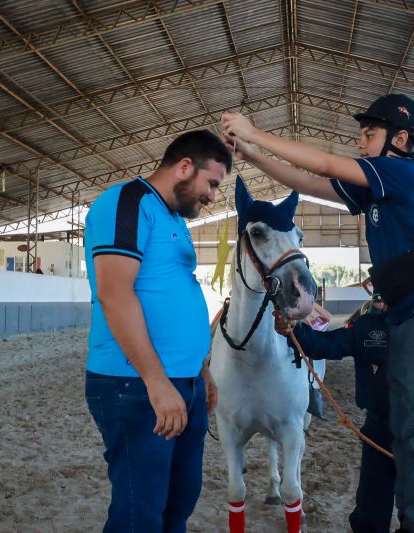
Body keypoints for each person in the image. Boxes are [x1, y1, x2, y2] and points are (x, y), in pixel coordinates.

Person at [223, 93, 414, 533]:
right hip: (407, 315)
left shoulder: (404, 173)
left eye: (368, 134)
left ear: (400, 138)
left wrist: (252, 131)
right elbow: (308, 182)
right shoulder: (380, 187)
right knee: (390, 428)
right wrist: (255, 156)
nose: (360, 143)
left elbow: (324, 164)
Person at [83, 130, 231, 531]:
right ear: (185, 167)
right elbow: (115, 295)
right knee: (140, 513)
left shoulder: (174, 219)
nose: (213, 197)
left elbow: (170, 295)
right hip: (134, 383)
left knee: (178, 502)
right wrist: (157, 381)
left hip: (182, 382)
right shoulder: (127, 202)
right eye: (212, 184)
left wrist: (199, 370)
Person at [274, 299, 414, 533]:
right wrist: (295, 330)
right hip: (377, 433)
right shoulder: (366, 326)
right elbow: (324, 344)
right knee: (370, 514)